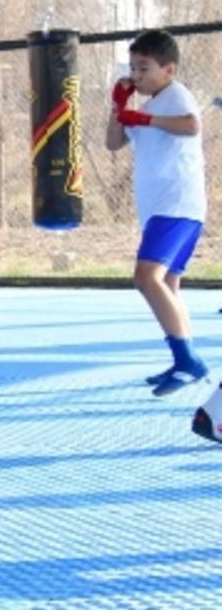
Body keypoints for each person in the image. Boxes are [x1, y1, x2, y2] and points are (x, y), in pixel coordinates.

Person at [105, 29, 207, 396]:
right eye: (132, 68)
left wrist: (145, 120)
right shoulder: (145, 107)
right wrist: (119, 108)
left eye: (144, 68)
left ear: (169, 69)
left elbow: (191, 125)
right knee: (167, 285)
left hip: (176, 204)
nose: (136, 76)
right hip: (161, 209)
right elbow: (112, 143)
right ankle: (185, 359)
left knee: (147, 278)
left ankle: (188, 361)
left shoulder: (176, 96)